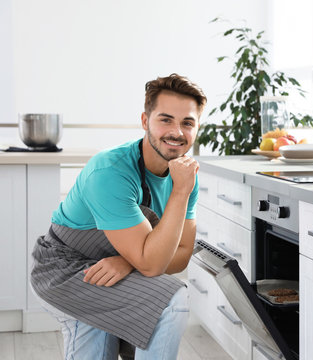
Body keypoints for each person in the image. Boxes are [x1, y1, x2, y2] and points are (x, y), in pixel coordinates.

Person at [30, 73, 207, 360]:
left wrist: (129, 261)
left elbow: (182, 254)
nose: (176, 132)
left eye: (187, 123)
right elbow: (152, 265)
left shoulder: (186, 176)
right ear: (144, 120)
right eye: (165, 119)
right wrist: (142, 258)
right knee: (167, 304)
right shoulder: (111, 171)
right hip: (65, 270)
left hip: (118, 263)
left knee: (167, 301)